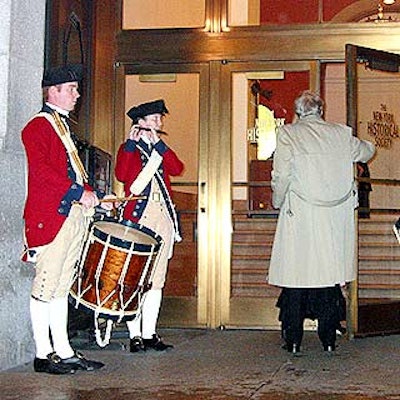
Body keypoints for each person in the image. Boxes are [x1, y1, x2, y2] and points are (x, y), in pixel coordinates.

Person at [268, 91, 375, 354]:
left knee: (295, 277)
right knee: (329, 277)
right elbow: (367, 151)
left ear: (298, 112)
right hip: (333, 217)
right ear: (321, 110)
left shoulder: (289, 134)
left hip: (300, 214)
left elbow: (281, 175)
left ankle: (293, 339)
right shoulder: (340, 133)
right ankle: (328, 339)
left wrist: (277, 201)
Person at [21, 64, 112, 374]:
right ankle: (42, 354)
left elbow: (73, 170)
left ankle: (63, 349)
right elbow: (43, 173)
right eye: (71, 89)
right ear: (53, 92)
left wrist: (93, 195)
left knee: (62, 287)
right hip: (51, 217)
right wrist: (78, 192)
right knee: (46, 285)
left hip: (71, 214)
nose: (77, 94)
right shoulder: (38, 126)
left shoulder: (62, 128)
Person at [115, 99, 184, 353]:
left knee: (157, 279)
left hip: (162, 217)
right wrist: (132, 145)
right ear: (141, 123)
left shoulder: (160, 149)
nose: (160, 123)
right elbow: (123, 175)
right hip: (140, 218)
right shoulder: (129, 148)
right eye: (155, 119)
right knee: (136, 277)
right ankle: (134, 334)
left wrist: (161, 147)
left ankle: (149, 333)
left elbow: (177, 168)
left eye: (159, 119)